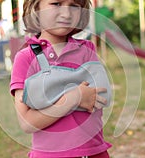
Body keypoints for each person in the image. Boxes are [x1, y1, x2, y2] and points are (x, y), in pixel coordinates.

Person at [10, 0, 112, 157]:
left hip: (94, 152)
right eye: (56, 3)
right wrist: (73, 98)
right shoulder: (26, 58)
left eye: (74, 5)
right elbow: (27, 122)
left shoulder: (87, 50)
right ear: (35, 8)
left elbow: (101, 97)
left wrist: (50, 100)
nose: (66, 13)